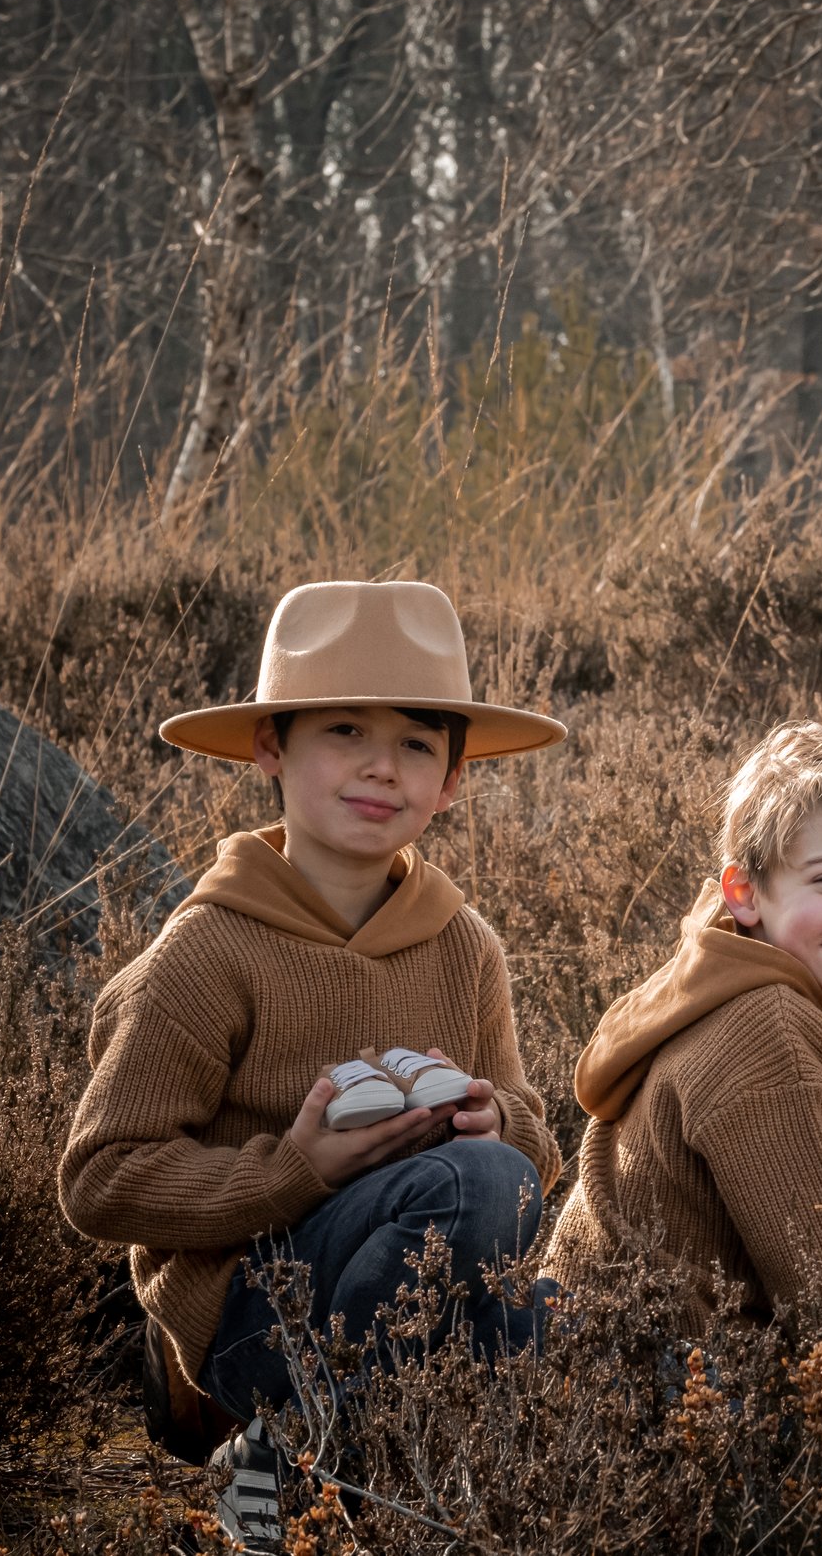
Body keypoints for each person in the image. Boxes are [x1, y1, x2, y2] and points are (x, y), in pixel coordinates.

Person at [58, 580, 569, 1550]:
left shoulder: (465, 946)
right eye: (343, 730)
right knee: (482, 1186)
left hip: (420, 1288)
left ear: (452, 779)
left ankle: (341, 1465)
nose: (382, 766)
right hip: (255, 1313)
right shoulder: (208, 950)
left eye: (418, 743)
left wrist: (495, 1119)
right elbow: (98, 1178)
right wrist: (294, 1171)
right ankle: (300, 1445)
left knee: (624, 1345)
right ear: (271, 747)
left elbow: (532, 1135)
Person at [539, 722, 822, 1322]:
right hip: (654, 1374)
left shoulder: (756, 975)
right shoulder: (764, 1032)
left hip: (636, 1344)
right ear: (744, 893)